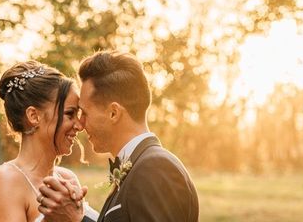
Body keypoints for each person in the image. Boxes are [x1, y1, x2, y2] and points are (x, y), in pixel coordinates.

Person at [36, 50, 199, 222]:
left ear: (113, 113)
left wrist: (76, 219)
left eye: (84, 113)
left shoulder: (154, 168)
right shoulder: (137, 167)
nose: (80, 124)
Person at [0, 61, 99, 222]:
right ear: (33, 116)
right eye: (70, 114)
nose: (79, 125)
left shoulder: (67, 178)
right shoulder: (6, 182)